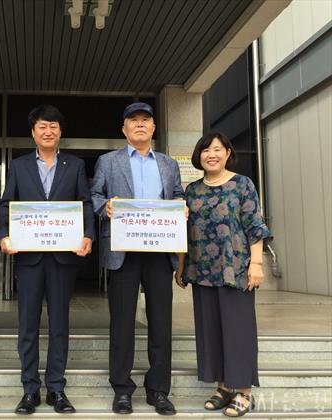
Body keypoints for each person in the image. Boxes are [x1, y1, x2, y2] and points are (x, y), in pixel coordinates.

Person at [0, 105, 95, 415]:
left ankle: (56, 389)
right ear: (33, 132)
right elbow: (6, 205)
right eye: (42, 126)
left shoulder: (74, 165)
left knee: (59, 325)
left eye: (53, 126)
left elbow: (85, 203)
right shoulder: (19, 165)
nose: (48, 131)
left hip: (63, 257)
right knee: (27, 325)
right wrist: (4, 236)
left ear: (60, 131)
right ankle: (30, 390)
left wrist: (88, 235)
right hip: (29, 258)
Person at [90, 102, 183, 416]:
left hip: (159, 250)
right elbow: (94, 195)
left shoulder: (168, 163)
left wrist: (181, 205)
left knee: (161, 323)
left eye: (146, 120)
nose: (140, 124)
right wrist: (105, 206)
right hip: (123, 251)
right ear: (124, 129)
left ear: (154, 127)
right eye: (134, 120)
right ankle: (122, 389)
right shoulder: (107, 161)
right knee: (122, 323)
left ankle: (158, 390)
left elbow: (178, 194)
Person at [174, 133, 270, 417]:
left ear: (228, 153)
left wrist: (256, 264)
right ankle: (224, 386)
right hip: (201, 270)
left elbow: (255, 225)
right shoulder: (192, 190)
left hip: (235, 269)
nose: (211, 155)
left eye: (217, 149)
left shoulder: (242, 184)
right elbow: (184, 232)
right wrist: (181, 266)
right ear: (198, 156)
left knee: (238, 331)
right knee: (211, 330)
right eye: (206, 150)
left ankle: (244, 391)